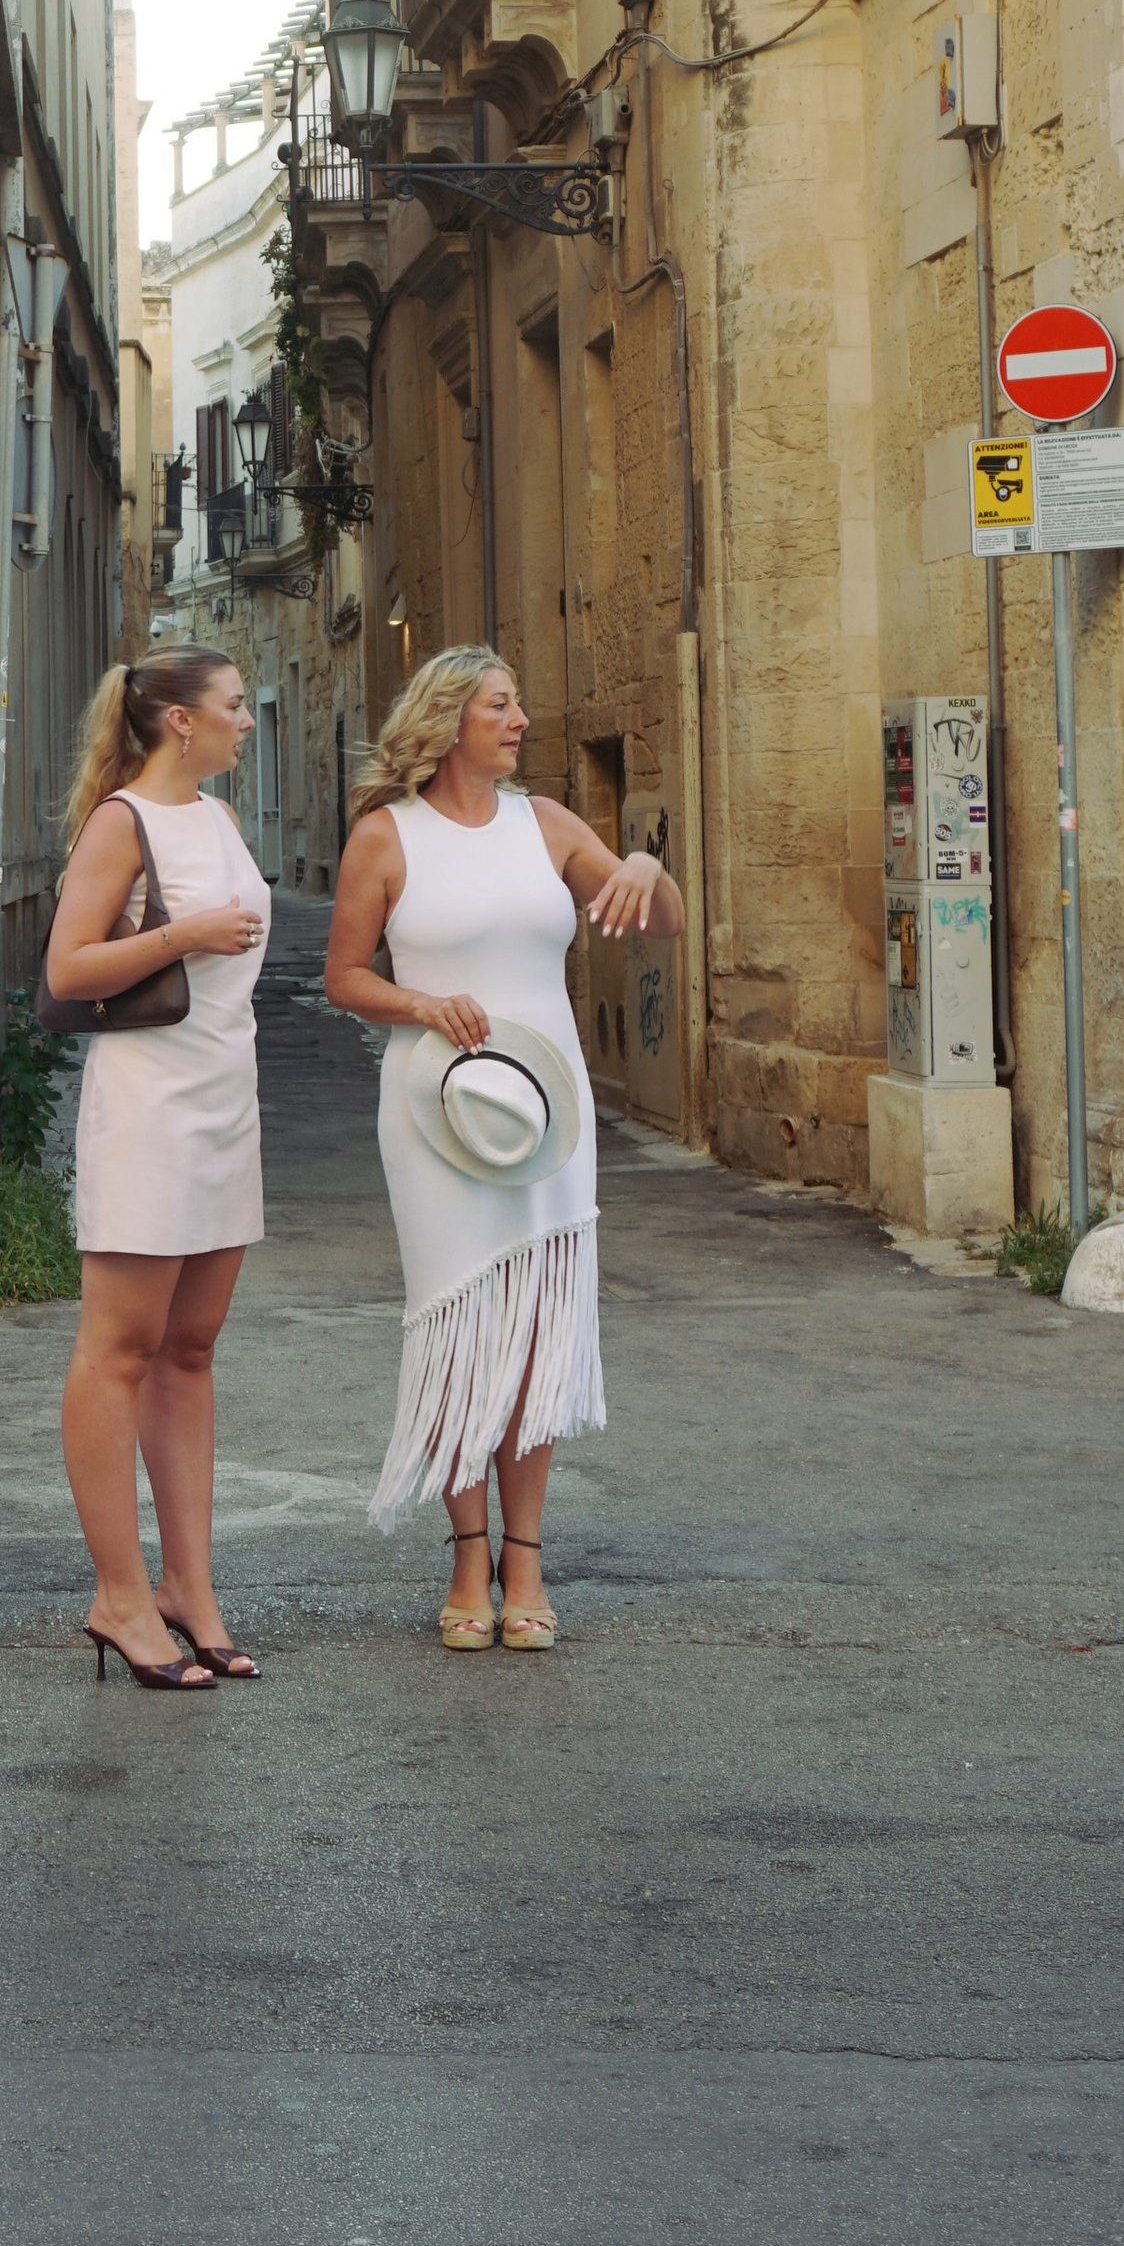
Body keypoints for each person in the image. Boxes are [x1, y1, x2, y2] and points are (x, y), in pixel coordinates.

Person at [325, 646, 683, 1652]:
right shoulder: (386, 837)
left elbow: (662, 921)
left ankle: (525, 1562)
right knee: (458, 1326)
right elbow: (345, 975)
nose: (520, 718)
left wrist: (646, 865)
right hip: (435, 1109)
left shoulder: (550, 826)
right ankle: (467, 1557)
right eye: (500, 704)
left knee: (535, 1332)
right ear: (448, 724)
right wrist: (423, 1002)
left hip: (545, 1111)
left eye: (517, 702)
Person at [42, 651, 272, 1691]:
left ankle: (190, 1589)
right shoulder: (120, 821)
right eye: (233, 707)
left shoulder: (217, 821)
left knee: (190, 1351)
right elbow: (65, 969)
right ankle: (119, 1596)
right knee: (116, 1352)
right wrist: (185, 931)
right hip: (147, 1109)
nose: (246, 723)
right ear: (179, 721)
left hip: (224, 1101)